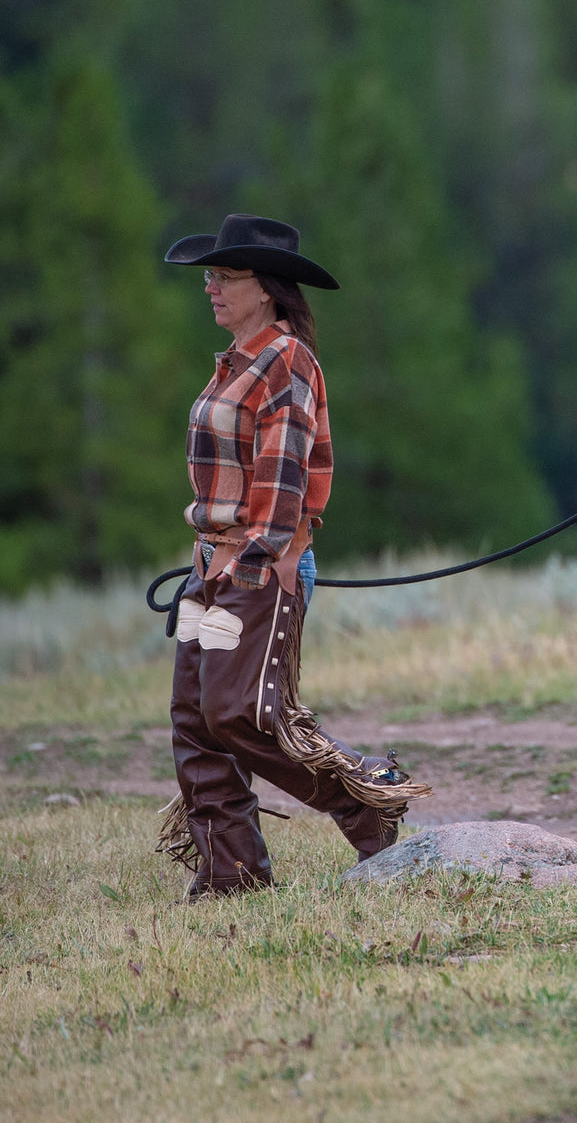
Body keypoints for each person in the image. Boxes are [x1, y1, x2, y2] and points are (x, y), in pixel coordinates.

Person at [156, 214, 429, 898]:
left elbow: (283, 475)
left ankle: (363, 800)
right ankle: (232, 874)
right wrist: (213, 560)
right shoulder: (237, 361)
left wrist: (261, 556)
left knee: (238, 712)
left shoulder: (285, 361)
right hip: (211, 561)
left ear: (266, 288)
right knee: (196, 722)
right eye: (210, 276)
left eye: (225, 276)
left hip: (257, 561)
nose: (210, 287)